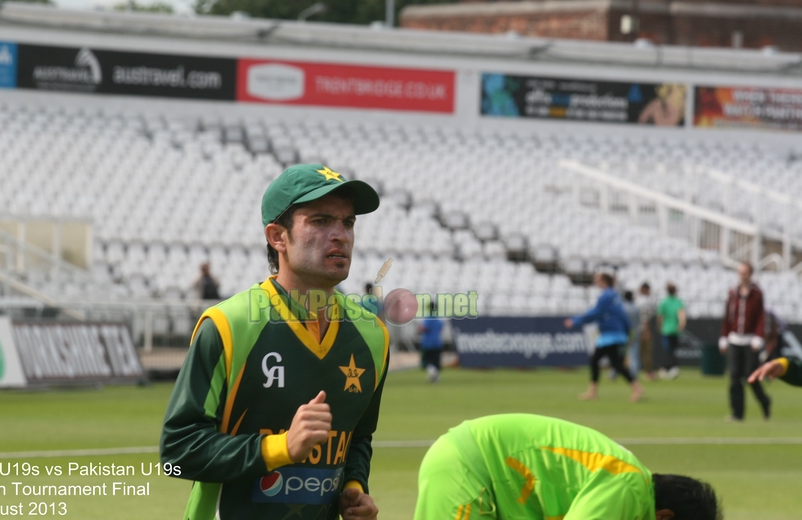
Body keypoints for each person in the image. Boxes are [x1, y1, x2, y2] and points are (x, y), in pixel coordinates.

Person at [161, 164, 388, 520]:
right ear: (277, 237)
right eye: (320, 221)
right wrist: (280, 448)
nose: (340, 235)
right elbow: (177, 453)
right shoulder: (228, 325)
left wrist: (354, 487)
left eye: (347, 222)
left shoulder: (373, 335)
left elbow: (356, 437)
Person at [414, 413, 722, 520]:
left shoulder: (630, 488)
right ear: (664, 517)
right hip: (470, 468)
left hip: (488, 479)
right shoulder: (628, 487)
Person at [565, 273, 643, 402]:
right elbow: (622, 316)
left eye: (597, 280)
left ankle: (593, 391)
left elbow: (595, 313)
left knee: (596, 360)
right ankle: (636, 387)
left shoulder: (605, 296)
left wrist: (575, 321)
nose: (596, 282)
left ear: (603, 281)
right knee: (615, 364)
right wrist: (628, 331)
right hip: (616, 334)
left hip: (609, 335)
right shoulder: (615, 295)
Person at [719, 262, 771, 422]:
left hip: (750, 341)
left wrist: (758, 337)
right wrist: (724, 337)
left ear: (751, 273)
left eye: (746, 272)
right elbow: (728, 316)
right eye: (740, 272)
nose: (743, 275)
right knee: (734, 377)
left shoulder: (757, 293)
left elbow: (761, 317)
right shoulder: (733, 293)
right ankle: (737, 413)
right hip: (735, 339)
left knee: (751, 376)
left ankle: (765, 402)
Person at [656, 283, 686, 380]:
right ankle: (672, 367)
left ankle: (669, 368)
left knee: (668, 350)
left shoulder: (664, 302)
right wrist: (681, 324)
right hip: (675, 330)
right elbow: (681, 315)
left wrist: (660, 326)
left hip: (666, 329)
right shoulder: (678, 302)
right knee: (673, 349)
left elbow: (660, 316)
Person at [419, 300, 444, 383]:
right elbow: (440, 328)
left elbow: (424, 328)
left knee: (426, 361)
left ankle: (433, 374)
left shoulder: (427, 318)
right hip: (437, 343)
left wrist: (419, 329)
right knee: (436, 362)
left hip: (427, 343)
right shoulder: (438, 319)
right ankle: (435, 377)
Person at [636, 282, 657, 381]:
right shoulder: (644, 301)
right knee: (646, 352)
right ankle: (648, 373)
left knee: (632, 352)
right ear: (645, 289)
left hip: (633, 329)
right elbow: (645, 318)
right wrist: (646, 331)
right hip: (642, 329)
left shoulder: (636, 299)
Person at [622, 290, 642, 379]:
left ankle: (614, 373)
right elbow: (638, 322)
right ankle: (634, 373)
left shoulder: (622, 307)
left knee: (619, 353)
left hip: (623, 331)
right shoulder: (636, 308)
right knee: (634, 353)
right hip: (634, 332)